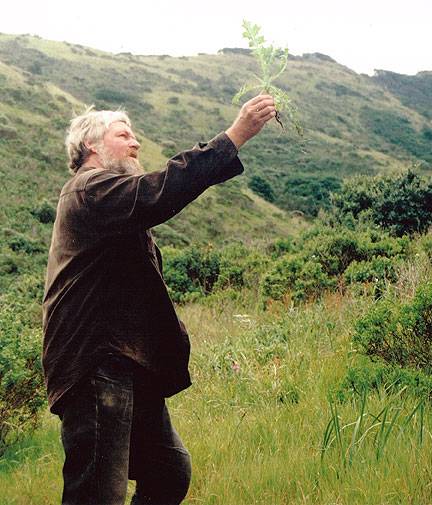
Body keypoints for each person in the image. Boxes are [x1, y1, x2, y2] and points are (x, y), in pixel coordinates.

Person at [42, 94, 277, 505]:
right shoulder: (88, 188)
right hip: (97, 362)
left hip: (125, 361)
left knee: (168, 469)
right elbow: (160, 191)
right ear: (91, 146)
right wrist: (235, 136)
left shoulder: (107, 198)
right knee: (98, 494)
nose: (135, 143)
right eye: (123, 134)